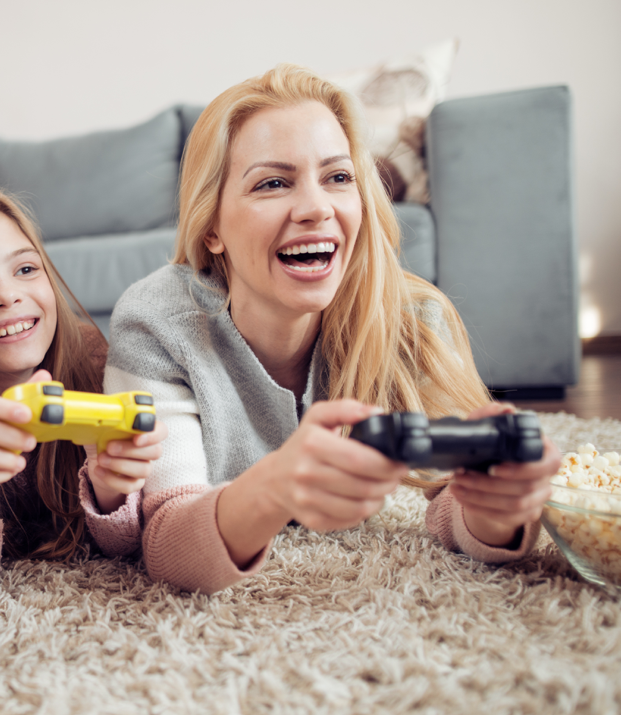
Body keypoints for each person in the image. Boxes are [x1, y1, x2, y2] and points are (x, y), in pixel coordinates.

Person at [103, 64, 561, 593]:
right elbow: (168, 545)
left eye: (338, 178)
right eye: (273, 183)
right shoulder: (157, 323)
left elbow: (450, 508)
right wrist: (275, 487)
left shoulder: (409, 320)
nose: (317, 208)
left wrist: (498, 507)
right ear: (211, 228)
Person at [0, 186, 166, 593]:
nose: (7, 296)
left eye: (25, 269)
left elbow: (124, 549)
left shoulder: (92, 360)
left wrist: (110, 487)